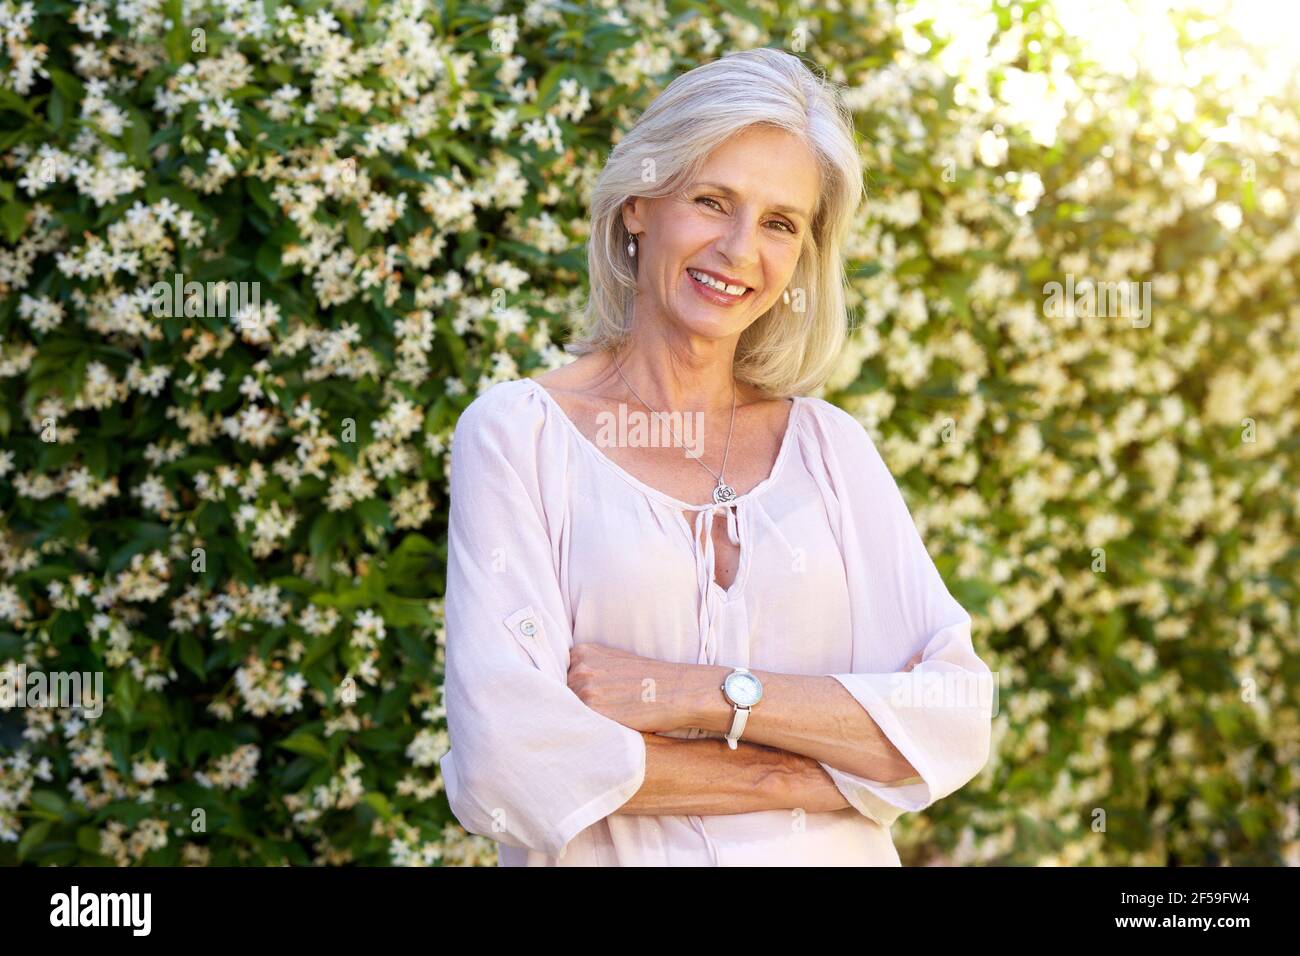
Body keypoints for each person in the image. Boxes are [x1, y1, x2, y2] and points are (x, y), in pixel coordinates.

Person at [439, 47, 995, 866]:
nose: (740, 250)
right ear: (638, 205)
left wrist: (693, 696)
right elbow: (508, 761)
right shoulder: (520, 436)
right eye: (712, 201)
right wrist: (807, 767)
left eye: (780, 223)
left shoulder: (829, 449)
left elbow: (951, 716)